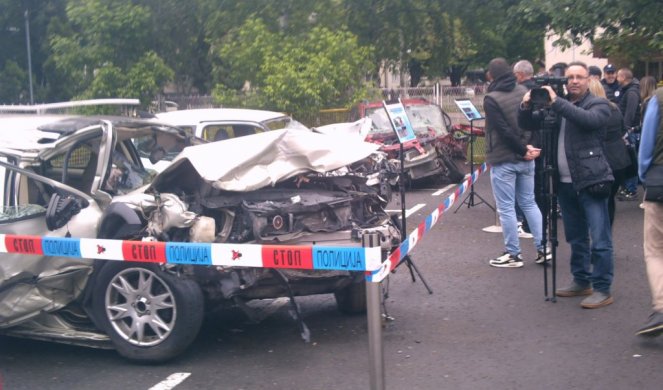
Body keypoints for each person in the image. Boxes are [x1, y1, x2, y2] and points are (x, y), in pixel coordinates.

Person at [519, 61, 615, 309]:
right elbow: (529, 124)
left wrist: (556, 102)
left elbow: (588, 121)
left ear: (588, 80)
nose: (573, 81)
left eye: (579, 77)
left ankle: (602, 288)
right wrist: (526, 105)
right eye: (569, 77)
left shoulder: (598, 104)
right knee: (576, 237)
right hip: (563, 181)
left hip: (592, 180)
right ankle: (581, 280)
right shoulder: (558, 107)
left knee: (600, 238)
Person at [483, 58, 548, 268]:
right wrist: (531, 148)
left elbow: (502, 130)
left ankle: (513, 254)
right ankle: (542, 248)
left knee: (506, 208)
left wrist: (521, 149)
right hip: (528, 157)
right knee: (529, 202)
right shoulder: (523, 91)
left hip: (504, 159)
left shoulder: (491, 99)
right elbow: (534, 122)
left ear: (491, 76)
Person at [636, 86, 663, 337]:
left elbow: (647, 142)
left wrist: (645, 176)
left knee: (655, 249)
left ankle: (662, 308)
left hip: (661, 182)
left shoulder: (658, 98)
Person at [588, 78, 630, 225]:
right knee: (609, 199)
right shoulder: (615, 108)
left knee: (596, 202)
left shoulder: (591, 111)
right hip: (619, 159)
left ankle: (599, 237)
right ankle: (607, 234)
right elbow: (623, 129)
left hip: (600, 159)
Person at [616, 68, 641, 201]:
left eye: (618, 76)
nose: (616, 78)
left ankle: (631, 189)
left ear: (624, 77)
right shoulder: (627, 91)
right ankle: (628, 187)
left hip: (629, 131)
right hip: (628, 130)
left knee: (631, 160)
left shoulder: (631, 92)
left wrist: (625, 129)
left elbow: (630, 113)